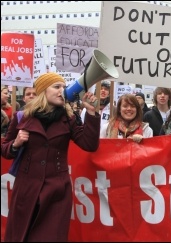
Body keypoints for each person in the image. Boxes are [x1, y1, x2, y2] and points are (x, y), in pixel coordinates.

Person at [1, 72, 101, 242]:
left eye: (63, 86)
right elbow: (5, 150)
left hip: (57, 191)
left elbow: (89, 145)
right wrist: (15, 144)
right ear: (42, 92)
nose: (62, 90)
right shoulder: (22, 117)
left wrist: (91, 113)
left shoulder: (68, 118)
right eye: (56, 87)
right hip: (26, 188)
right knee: (21, 235)